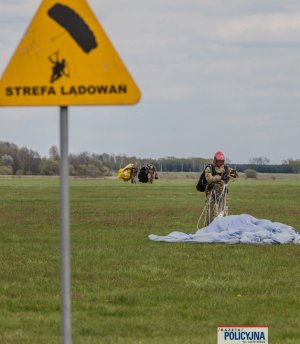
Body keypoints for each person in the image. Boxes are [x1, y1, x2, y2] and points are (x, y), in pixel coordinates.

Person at [202, 151, 237, 226]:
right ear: (215, 160)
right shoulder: (210, 168)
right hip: (211, 193)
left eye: (222, 161)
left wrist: (229, 176)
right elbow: (209, 179)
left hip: (223, 194)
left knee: (223, 213)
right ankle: (207, 230)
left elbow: (235, 175)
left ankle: (223, 230)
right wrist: (221, 177)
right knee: (209, 214)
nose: (221, 163)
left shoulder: (226, 168)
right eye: (219, 161)